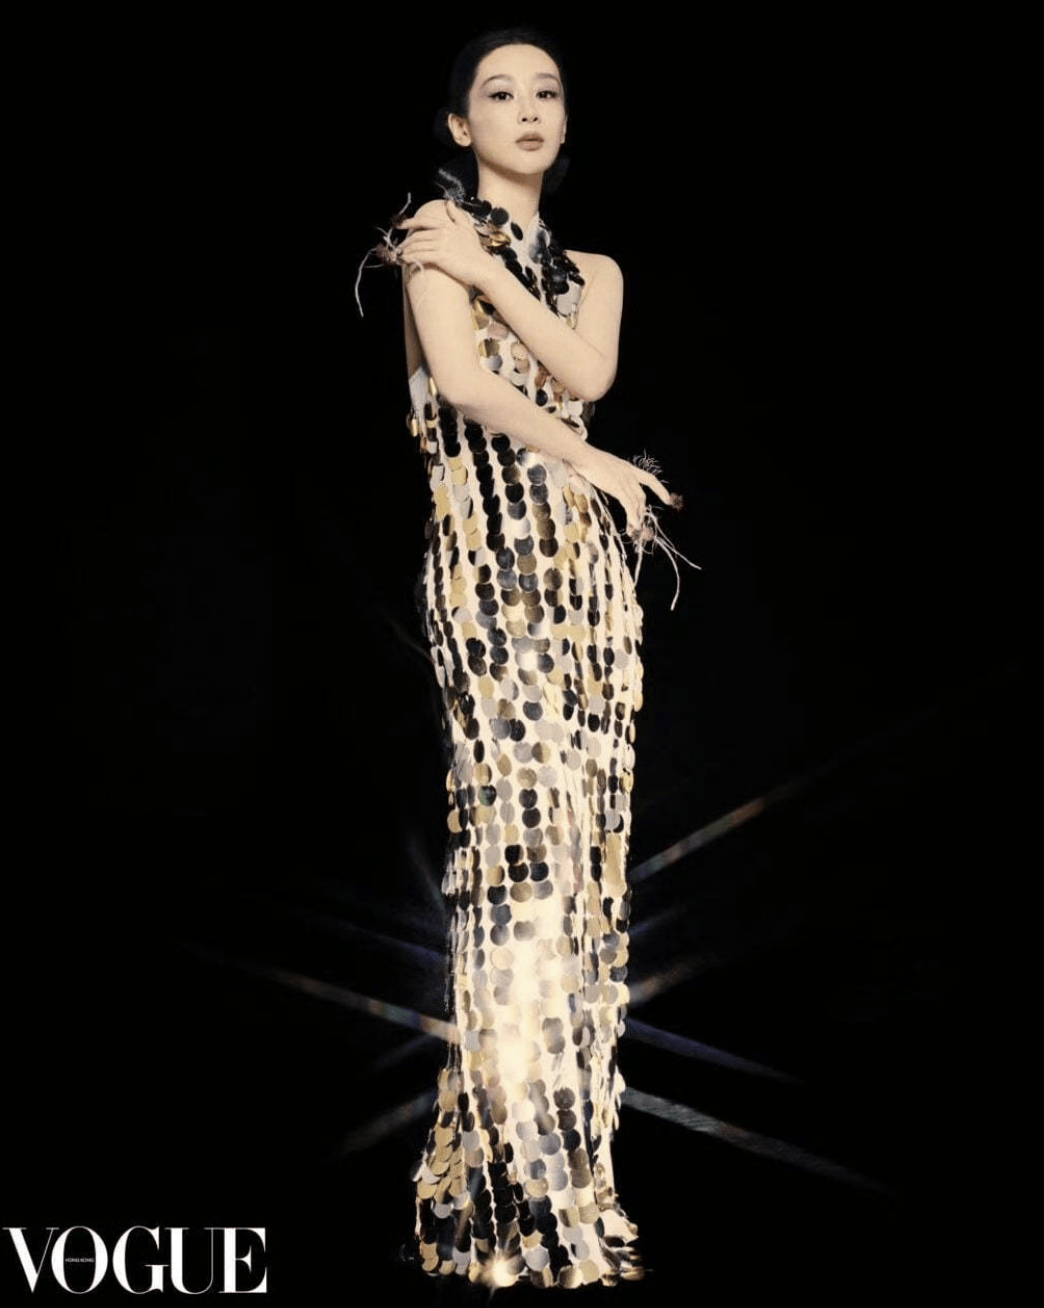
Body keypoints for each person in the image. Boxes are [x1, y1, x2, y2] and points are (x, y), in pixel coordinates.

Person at [386, 28, 680, 1290]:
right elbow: (463, 387)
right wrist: (595, 457)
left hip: (586, 590)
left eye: (545, 92)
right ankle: (513, 1196)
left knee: (584, 872)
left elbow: (585, 368)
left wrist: (496, 276)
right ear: (459, 125)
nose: (526, 109)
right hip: (491, 569)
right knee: (515, 868)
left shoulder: (591, 269)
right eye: (497, 93)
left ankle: (570, 1180)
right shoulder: (425, 240)